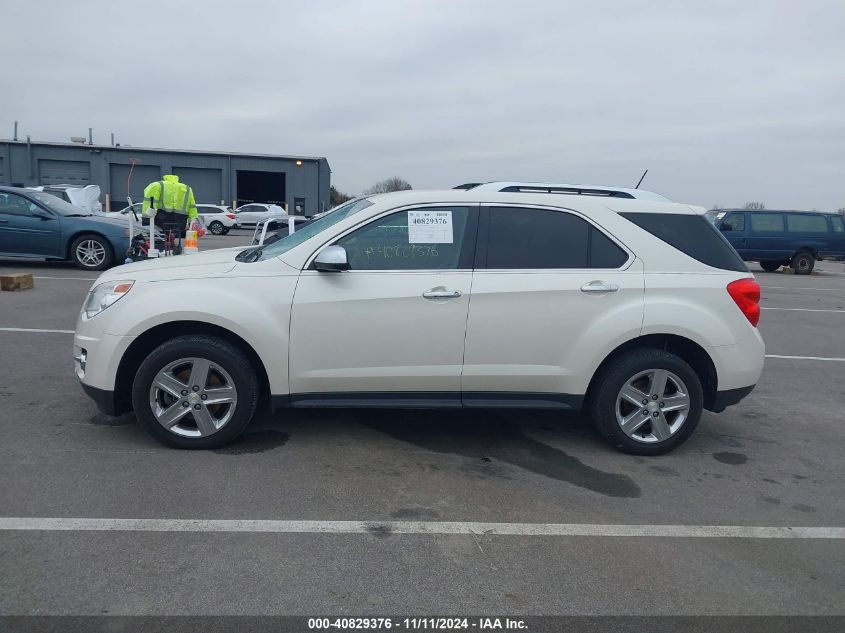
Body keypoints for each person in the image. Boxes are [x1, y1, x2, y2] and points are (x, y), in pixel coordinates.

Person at [141, 174, 198, 238]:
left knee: (159, 242)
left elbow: (149, 204)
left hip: (160, 221)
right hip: (179, 222)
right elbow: (192, 207)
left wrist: (146, 221)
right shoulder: (187, 188)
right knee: (172, 243)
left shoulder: (157, 185)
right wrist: (193, 223)